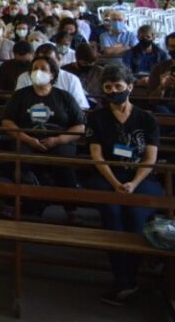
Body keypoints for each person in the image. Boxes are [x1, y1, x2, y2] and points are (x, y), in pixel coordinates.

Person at [84, 64, 162, 305]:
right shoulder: (96, 118)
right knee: (112, 213)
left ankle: (132, 275)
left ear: (129, 87)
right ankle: (123, 279)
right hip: (108, 176)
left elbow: (150, 157)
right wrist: (117, 182)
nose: (113, 91)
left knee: (136, 213)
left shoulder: (146, 118)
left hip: (142, 177)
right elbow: (97, 156)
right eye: (108, 87)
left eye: (118, 86)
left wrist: (134, 182)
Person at [2, 56, 85, 219]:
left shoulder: (64, 97)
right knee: (19, 159)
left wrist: (59, 139)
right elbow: (7, 121)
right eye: (35, 68)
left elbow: (80, 125)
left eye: (43, 69)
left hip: (59, 140)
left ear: (53, 74)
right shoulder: (20, 96)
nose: (38, 72)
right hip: (27, 138)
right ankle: (13, 201)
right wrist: (27, 139)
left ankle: (70, 207)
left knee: (64, 159)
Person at [16, 45, 91, 110]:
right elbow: (17, 104)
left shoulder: (72, 79)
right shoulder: (24, 77)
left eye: (51, 61)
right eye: (40, 61)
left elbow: (81, 107)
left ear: (59, 60)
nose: (46, 65)